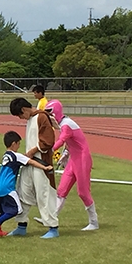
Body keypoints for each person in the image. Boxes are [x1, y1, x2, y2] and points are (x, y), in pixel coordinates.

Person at [45, 99, 99, 231]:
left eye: (50, 113)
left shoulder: (66, 124)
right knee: (61, 190)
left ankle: (94, 222)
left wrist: (50, 151)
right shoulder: (64, 124)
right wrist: (66, 154)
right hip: (74, 160)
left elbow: (63, 138)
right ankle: (51, 217)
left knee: (83, 192)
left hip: (82, 159)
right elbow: (71, 141)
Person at [8, 98, 59, 239]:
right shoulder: (31, 119)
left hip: (41, 163)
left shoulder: (42, 117)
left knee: (45, 194)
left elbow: (48, 140)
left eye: (20, 115)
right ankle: (21, 225)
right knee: (23, 193)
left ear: (24, 109)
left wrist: (33, 151)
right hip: (29, 163)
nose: (20, 118)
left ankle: (53, 227)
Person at [0, 131, 54, 237]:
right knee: (17, 209)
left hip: (1, 187)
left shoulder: (6, 155)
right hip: (9, 188)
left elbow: (21, 158)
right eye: (18, 144)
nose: (19, 146)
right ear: (13, 144)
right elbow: (31, 161)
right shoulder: (16, 156)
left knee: (7, 209)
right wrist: (45, 167)